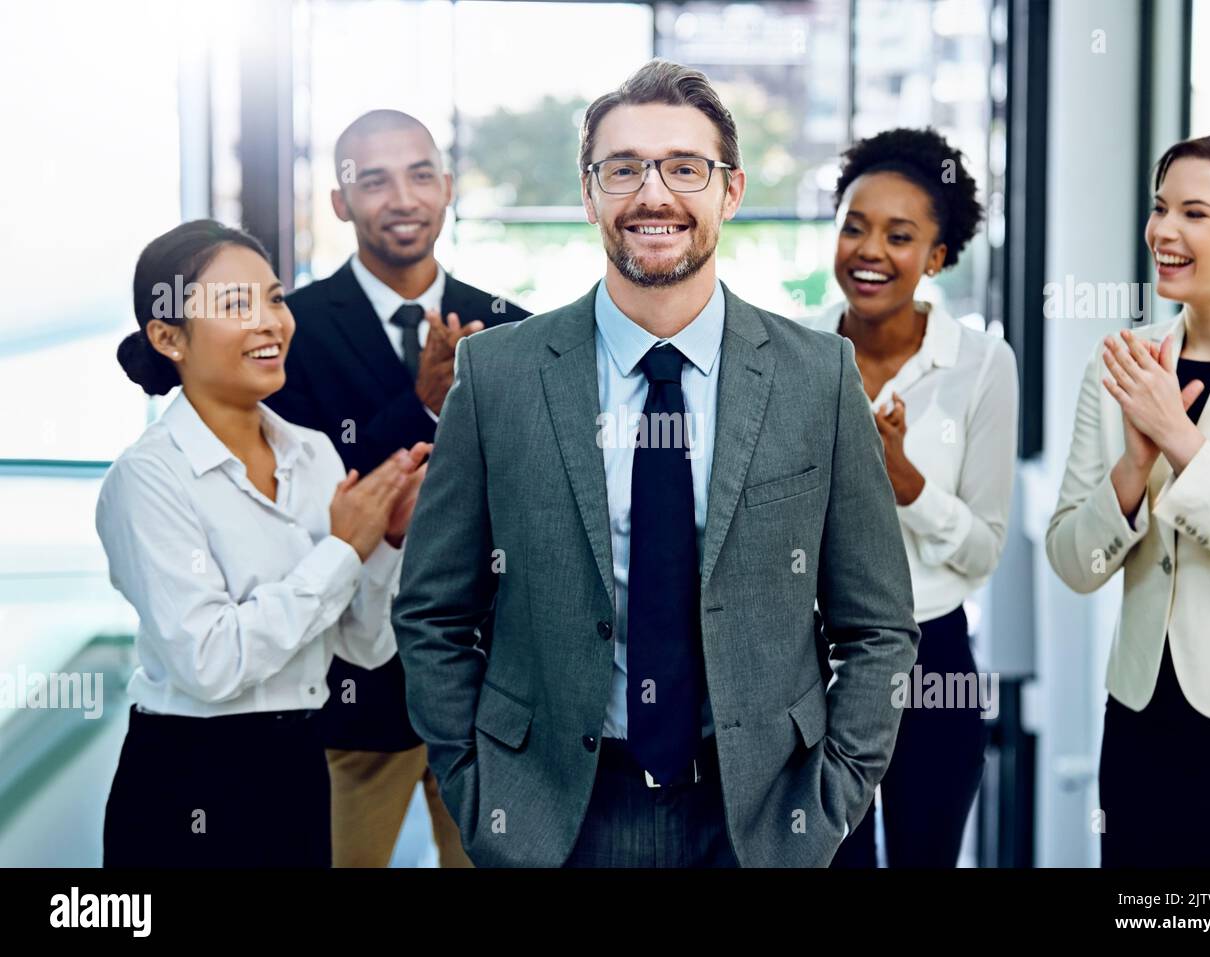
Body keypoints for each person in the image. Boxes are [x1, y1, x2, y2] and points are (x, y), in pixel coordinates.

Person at [392, 59, 919, 869]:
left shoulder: (818, 375)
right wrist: (477, 785)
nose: (654, 195)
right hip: (555, 815)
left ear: (730, 191)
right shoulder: (497, 375)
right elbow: (432, 611)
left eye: (684, 168)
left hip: (762, 817)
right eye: (624, 168)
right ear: (590, 193)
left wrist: (831, 798)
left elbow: (877, 625)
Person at [97, 220, 429, 867]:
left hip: (300, 764)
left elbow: (363, 645)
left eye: (275, 298)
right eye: (235, 305)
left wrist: (383, 543)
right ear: (169, 337)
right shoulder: (148, 476)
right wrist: (341, 550)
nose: (270, 322)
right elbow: (211, 663)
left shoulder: (312, 453)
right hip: (189, 772)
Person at [265, 110, 529, 868]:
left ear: (447, 189)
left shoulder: (513, 327)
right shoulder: (291, 331)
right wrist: (420, 404)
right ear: (340, 201)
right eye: (373, 180)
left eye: (419, 175)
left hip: (491, 695)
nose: (402, 197)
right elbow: (302, 500)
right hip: (350, 693)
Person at [1047, 132, 1210, 866]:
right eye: (1160, 209)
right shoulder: (1126, 358)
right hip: (1140, 724)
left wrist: (1180, 442)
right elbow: (1074, 560)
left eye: (1194, 212)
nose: (1164, 231)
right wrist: (1135, 461)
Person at [802, 128, 1017, 867]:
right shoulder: (794, 354)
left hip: (934, 658)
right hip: (812, 660)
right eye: (854, 227)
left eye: (899, 236)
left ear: (936, 257)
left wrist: (908, 484)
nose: (869, 251)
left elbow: (985, 547)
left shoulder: (983, 365)